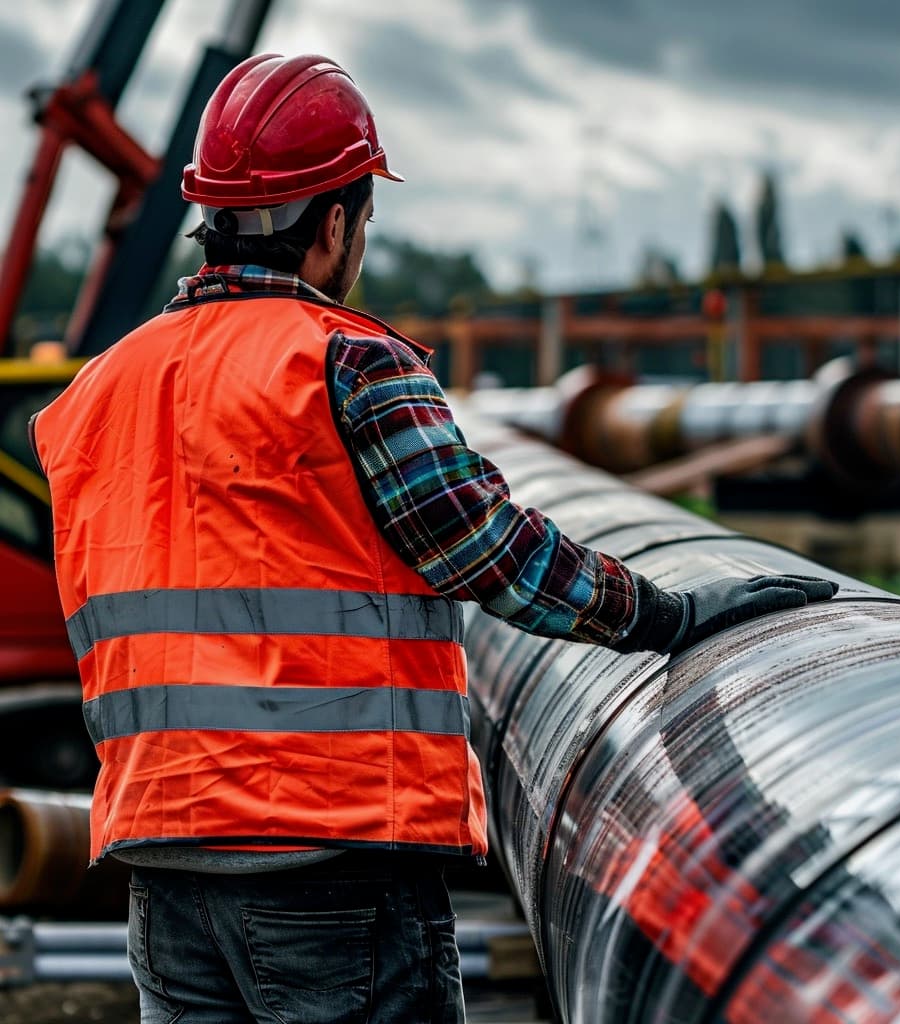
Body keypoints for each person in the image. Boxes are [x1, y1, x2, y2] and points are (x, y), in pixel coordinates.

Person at [29, 53, 836, 1024]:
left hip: (161, 871)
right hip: (328, 868)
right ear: (334, 223)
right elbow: (487, 551)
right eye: (361, 220)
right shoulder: (346, 361)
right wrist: (662, 612)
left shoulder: (93, 395)